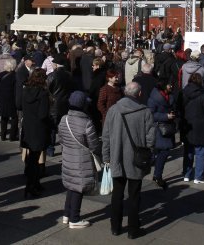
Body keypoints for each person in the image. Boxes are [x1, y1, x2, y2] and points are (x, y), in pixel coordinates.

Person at [102, 81, 155, 239]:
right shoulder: (145, 111)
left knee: (117, 194)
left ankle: (115, 227)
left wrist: (106, 157)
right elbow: (150, 137)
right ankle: (133, 229)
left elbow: (106, 136)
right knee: (134, 195)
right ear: (139, 94)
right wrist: (149, 152)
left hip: (117, 157)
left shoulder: (113, 110)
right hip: (136, 159)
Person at [58, 91, 101, 229]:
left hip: (68, 157)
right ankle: (74, 219)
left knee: (71, 185)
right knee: (78, 188)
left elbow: (61, 140)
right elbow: (94, 145)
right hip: (81, 159)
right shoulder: (86, 122)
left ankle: (66, 214)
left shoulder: (63, 119)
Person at [179, 72, 204, 183]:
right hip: (201, 126)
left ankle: (186, 174)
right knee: (200, 152)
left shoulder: (183, 92)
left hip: (187, 125)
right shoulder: (203, 95)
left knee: (188, 151)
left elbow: (179, 109)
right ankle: (198, 177)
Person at [21, 68, 51, 197]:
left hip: (28, 126)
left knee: (31, 157)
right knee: (35, 158)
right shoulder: (43, 93)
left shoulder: (25, 90)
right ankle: (31, 185)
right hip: (38, 128)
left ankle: (34, 183)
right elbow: (43, 114)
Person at [147, 80, 175, 190]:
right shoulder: (154, 98)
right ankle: (158, 176)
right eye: (169, 84)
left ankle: (157, 175)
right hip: (158, 128)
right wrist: (165, 116)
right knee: (164, 151)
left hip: (167, 127)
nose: (171, 85)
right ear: (163, 86)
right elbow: (151, 114)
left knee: (161, 151)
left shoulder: (170, 95)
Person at [0, 55, 18, 141]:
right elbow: (16, 90)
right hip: (11, 99)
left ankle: (3, 136)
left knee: (4, 118)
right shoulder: (15, 76)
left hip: (2, 99)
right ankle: (12, 136)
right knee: (14, 118)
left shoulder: (0, 74)